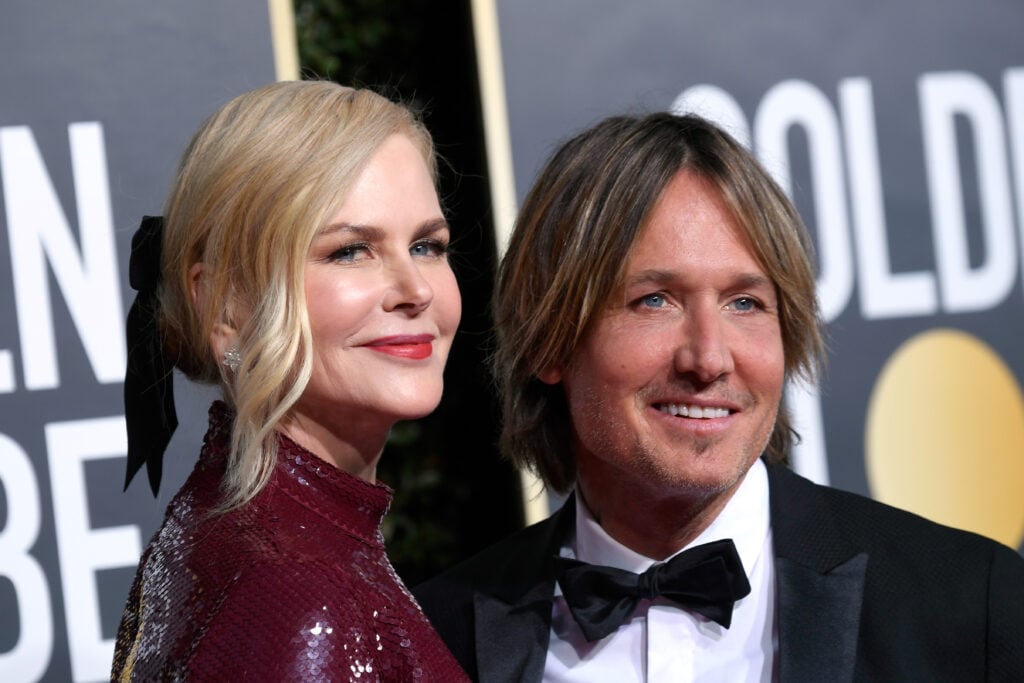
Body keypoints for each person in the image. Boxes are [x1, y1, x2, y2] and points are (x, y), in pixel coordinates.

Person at [413, 112, 1024, 681]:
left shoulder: (974, 607)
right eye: (654, 300)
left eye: (745, 303)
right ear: (551, 342)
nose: (708, 357)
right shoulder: (440, 637)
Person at [112, 80, 469, 681]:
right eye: (351, 251)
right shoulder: (303, 598)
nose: (417, 290)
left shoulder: (237, 530)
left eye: (427, 245)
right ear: (226, 304)